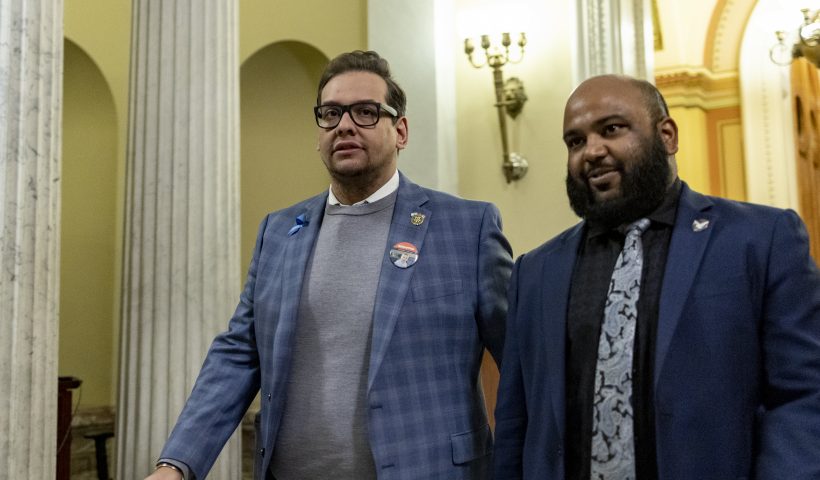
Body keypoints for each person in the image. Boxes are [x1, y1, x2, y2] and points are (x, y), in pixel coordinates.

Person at [146, 50, 512, 480]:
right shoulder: (279, 232)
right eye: (331, 113)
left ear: (401, 131)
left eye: (366, 112)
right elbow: (239, 353)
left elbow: (521, 361)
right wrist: (176, 464)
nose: (345, 125)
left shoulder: (466, 227)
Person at [493, 74, 820, 480]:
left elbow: (804, 394)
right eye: (575, 142)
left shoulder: (761, 240)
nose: (592, 151)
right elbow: (515, 426)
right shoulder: (536, 273)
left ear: (666, 135)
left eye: (611, 129)